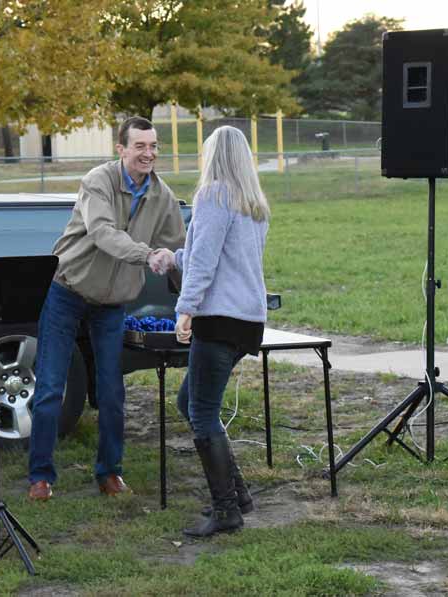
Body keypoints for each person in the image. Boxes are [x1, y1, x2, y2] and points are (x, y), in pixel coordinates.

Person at [28, 116, 186, 501]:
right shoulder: (97, 181)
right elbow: (101, 233)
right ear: (121, 149)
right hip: (67, 291)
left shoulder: (162, 196)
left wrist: (190, 300)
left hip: (113, 304)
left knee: (113, 392)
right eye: (140, 146)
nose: (148, 154)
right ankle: (41, 477)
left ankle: (110, 473)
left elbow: (181, 248)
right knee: (50, 387)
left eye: (153, 146)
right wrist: (147, 255)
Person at [172, 125, 270, 537]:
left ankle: (226, 509)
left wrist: (185, 310)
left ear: (214, 156)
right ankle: (239, 492)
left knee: (201, 412)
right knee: (189, 402)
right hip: (249, 320)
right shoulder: (254, 203)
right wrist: (173, 257)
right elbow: (217, 258)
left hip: (219, 319)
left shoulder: (213, 194)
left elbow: (207, 263)